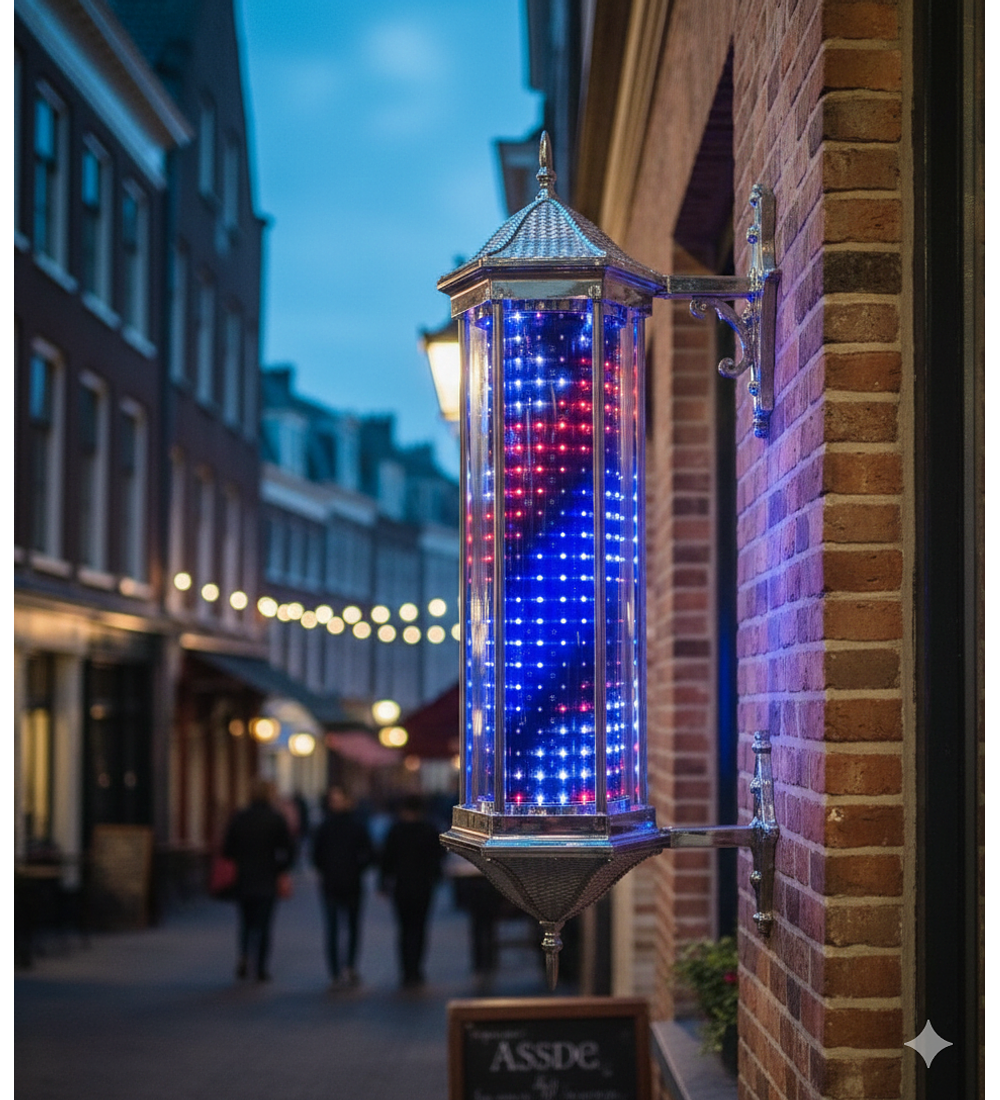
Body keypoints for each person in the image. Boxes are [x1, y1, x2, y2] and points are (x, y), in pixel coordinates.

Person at [223, 778, 293, 982]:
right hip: (267, 878)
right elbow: (288, 850)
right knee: (264, 925)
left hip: (244, 877)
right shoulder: (275, 818)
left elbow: (228, 849)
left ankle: (244, 955)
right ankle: (260, 968)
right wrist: (279, 868)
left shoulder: (240, 817)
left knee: (245, 923)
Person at [311, 787, 373, 987]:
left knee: (345, 927)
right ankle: (339, 970)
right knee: (336, 928)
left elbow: (368, 853)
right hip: (339, 883)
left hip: (343, 883)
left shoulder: (345, 826)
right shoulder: (332, 827)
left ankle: (347, 967)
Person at [379, 795, 443, 988]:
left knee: (404, 928)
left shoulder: (395, 831)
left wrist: (383, 883)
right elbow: (437, 859)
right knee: (420, 927)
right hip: (424, 886)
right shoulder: (429, 830)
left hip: (401, 886)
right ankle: (417, 969)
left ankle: (406, 969)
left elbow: (386, 859)